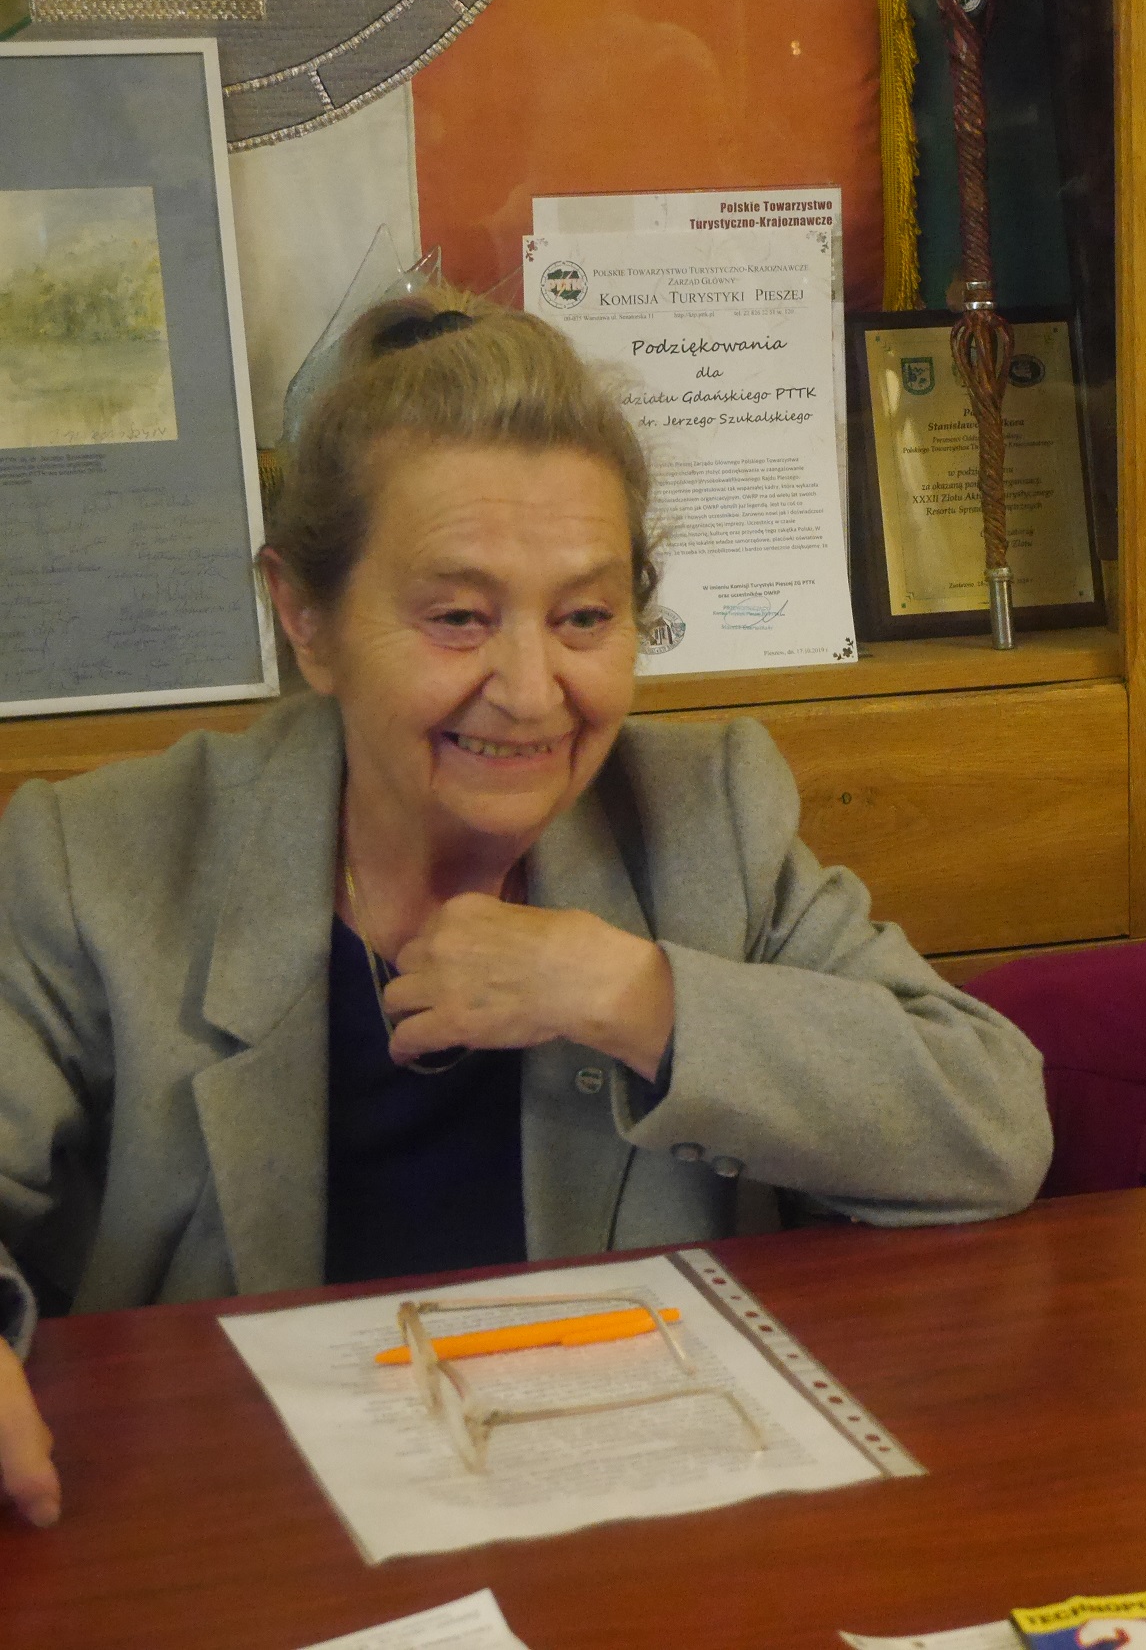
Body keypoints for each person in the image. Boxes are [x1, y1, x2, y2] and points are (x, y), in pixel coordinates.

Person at [0, 290, 1052, 1525]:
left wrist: (626, 993)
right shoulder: (106, 860)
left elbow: (990, 1123)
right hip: (237, 1518)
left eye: (584, 618)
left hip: (625, 1511)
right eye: (458, 617)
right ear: (307, 618)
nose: (530, 688)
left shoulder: (703, 818)